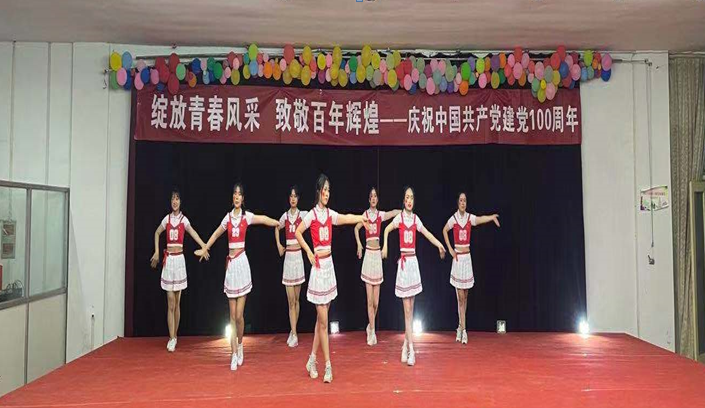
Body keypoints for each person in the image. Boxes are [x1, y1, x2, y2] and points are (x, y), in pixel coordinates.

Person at [196, 183, 280, 371]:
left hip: (242, 264)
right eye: (234, 194)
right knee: (232, 315)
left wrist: (276, 222)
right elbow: (216, 234)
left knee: (240, 316)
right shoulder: (227, 218)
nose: (236, 197)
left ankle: (240, 345)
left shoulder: (246, 216)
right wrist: (205, 248)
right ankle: (233, 354)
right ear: (232, 197)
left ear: (243, 198)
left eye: (239, 194)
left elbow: (262, 219)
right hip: (231, 266)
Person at [295, 174, 367, 383]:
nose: (327, 194)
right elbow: (298, 232)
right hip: (318, 269)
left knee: (321, 320)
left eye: (329, 190)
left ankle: (311, 359)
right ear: (318, 191)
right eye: (324, 190)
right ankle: (327, 365)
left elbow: (345, 217)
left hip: (329, 267)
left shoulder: (329, 214)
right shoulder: (311, 215)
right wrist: (309, 252)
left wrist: (361, 218)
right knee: (324, 322)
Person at [382, 186, 446, 366]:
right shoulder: (400, 218)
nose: (409, 200)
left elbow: (427, 233)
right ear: (403, 201)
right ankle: (411, 348)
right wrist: (385, 246)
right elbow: (386, 229)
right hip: (403, 265)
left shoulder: (416, 219)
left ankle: (405, 345)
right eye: (407, 197)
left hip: (413, 264)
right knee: (407, 310)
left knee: (411, 309)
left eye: (411, 197)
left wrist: (439, 244)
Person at [150, 189, 208, 353]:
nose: (175, 201)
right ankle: (172, 337)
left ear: (180, 202)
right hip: (169, 261)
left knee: (177, 302)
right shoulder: (167, 219)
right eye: (172, 199)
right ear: (170, 202)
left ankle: (175, 335)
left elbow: (193, 232)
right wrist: (157, 252)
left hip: (179, 261)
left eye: (177, 199)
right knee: (170, 301)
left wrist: (204, 245)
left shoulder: (184, 220)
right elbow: (157, 232)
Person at [442, 192, 500, 344]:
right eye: (461, 200)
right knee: (460, 297)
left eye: (465, 201)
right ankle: (463, 329)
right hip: (458, 259)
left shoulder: (469, 218)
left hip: (467, 259)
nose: (463, 203)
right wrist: (450, 249)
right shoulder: (454, 219)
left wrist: (491, 217)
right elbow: (444, 230)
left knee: (465, 296)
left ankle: (460, 326)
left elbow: (480, 219)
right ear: (457, 203)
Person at [353, 187, 400, 346]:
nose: (373, 198)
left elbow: (392, 213)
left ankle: (370, 325)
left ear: (377, 199)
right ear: (369, 199)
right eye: (371, 196)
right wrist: (359, 244)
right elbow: (356, 228)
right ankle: (372, 331)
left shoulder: (380, 215)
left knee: (376, 302)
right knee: (369, 299)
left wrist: (404, 212)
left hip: (377, 256)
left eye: (375, 196)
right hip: (368, 255)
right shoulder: (365, 215)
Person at [274, 186, 308, 347]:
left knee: (297, 299)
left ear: (298, 199)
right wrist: (279, 245)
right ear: (289, 199)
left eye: (295, 196)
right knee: (291, 300)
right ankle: (293, 333)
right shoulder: (285, 216)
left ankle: (294, 330)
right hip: (288, 259)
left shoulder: (303, 214)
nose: (293, 199)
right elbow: (277, 227)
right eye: (291, 196)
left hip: (298, 257)